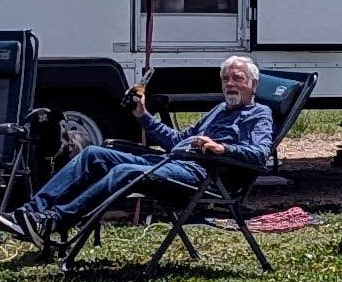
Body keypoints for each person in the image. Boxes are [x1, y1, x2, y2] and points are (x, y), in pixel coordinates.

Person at [18, 54, 277, 237]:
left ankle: (55, 221)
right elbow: (177, 139)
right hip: (172, 162)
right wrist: (142, 115)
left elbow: (260, 154)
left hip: (202, 177)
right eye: (225, 79)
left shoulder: (259, 114)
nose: (230, 84)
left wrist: (223, 148)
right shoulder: (220, 109)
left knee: (125, 172)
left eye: (237, 78)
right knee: (94, 154)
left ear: (253, 85)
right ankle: (30, 213)